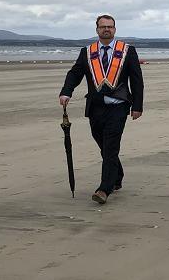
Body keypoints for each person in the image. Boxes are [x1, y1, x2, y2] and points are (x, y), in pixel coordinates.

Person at [59, 14, 144, 204]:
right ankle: (117, 175)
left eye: (110, 27)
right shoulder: (87, 52)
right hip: (96, 108)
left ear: (115, 29)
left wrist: (137, 106)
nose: (107, 29)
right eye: (103, 27)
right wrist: (66, 92)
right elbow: (75, 74)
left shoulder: (127, 51)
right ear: (96, 29)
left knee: (111, 146)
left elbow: (137, 80)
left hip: (118, 107)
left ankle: (104, 189)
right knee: (104, 146)